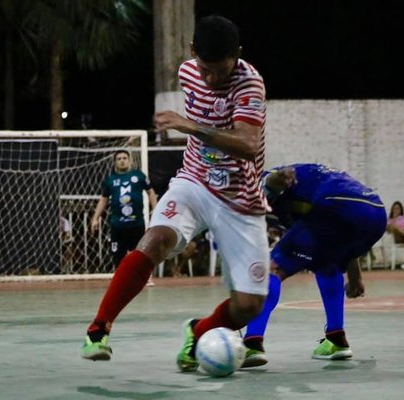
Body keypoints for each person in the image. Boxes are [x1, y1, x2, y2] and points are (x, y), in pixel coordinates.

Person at [80, 15, 270, 373]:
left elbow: (247, 144)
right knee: (155, 240)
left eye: (222, 71)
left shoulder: (249, 84)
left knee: (249, 306)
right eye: (206, 69)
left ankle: (198, 332)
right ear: (192, 52)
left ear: (238, 55)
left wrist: (189, 126)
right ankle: (98, 329)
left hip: (240, 199)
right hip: (194, 183)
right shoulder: (187, 72)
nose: (213, 78)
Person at [240, 163, 387, 367]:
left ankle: (251, 343)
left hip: (336, 207)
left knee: (274, 268)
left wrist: (277, 178)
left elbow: (271, 181)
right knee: (327, 263)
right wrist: (355, 279)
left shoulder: (257, 183)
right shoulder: (313, 181)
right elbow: (344, 220)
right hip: (377, 214)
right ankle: (336, 339)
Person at [90, 150, 158, 283]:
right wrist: (95, 218)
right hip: (117, 225)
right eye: (119, 158)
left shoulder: (138, 176)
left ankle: (146, 278)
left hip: (137, 223)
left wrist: (155, 209)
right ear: (115, 162)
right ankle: (120, 280)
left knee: (140, 253)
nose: (122, 160)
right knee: (117, 254)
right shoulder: (110, 180)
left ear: (129, 160)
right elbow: (103, 199)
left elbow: (150, 192)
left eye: (124, 158)